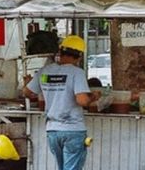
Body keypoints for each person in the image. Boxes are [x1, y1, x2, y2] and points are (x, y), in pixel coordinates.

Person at [23, 35, 98, 170]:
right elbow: (82, 100)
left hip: (53, 130)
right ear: (79, 56)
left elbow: (27, 92)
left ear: (61, 52)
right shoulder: (77, 73)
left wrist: (43, 89)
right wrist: (93, 97)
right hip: (73, 130)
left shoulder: (45, 71)